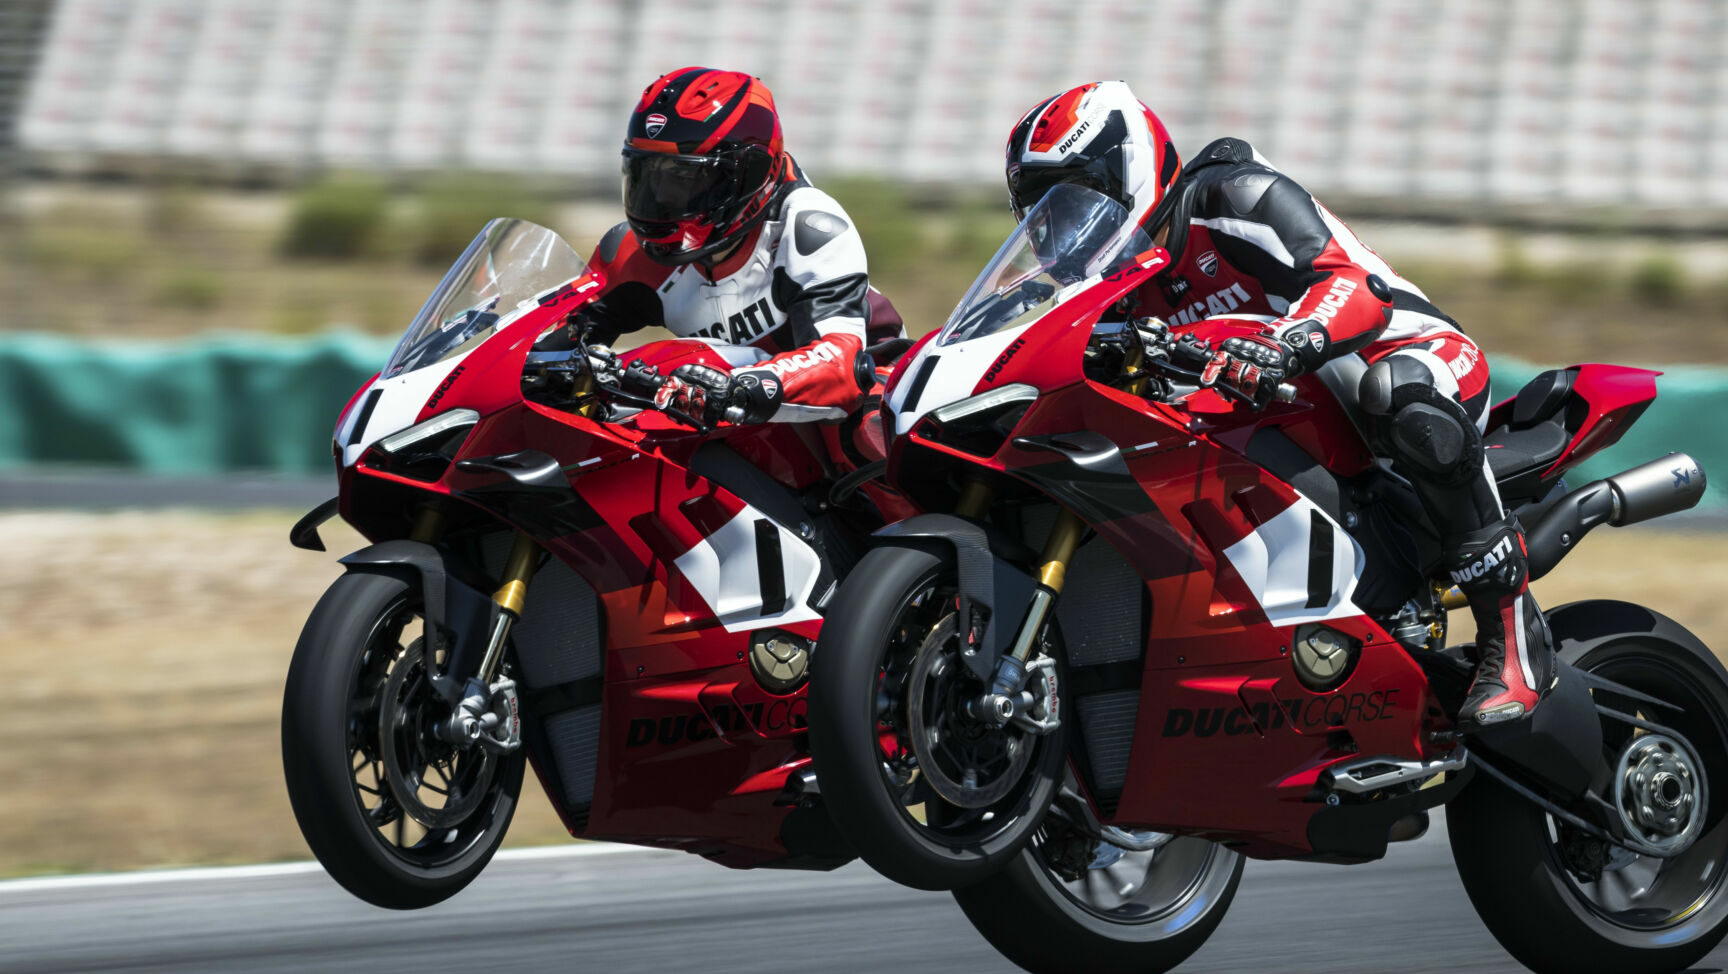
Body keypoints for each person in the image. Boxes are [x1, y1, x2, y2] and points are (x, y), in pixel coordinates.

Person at [1003, 81, 1553, 728]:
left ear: (1129, 173)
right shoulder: (1109, 288)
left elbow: (1353, 286)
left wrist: (1285, 343)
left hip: (1409, 361)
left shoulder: (1230, 197)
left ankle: (1511, 629)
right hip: (1277, 423)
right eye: (1041, 212)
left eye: (1075, 202)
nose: (1061, 230)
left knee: (1398, 393)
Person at [556, 67, 903, 426]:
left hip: (860, 405)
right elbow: (556, 344)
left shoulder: (808, 226)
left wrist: (739, 386)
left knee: (862, 435)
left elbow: (840, 365)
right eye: (650, 179)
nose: (660, 202)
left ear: (749, 173)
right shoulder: (628, 253)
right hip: (734, 423)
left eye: (684, 180)